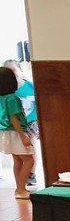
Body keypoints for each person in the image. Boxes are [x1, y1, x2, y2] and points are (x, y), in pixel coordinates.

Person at [0, 66, 34, 198]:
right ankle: (20, 189)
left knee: (18, 160)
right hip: (15, 132)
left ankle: (19, 188)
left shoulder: (2, 98)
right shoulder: (12, 98)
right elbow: (14, 118)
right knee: (29, 160)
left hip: (6, 132)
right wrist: (23, 136)